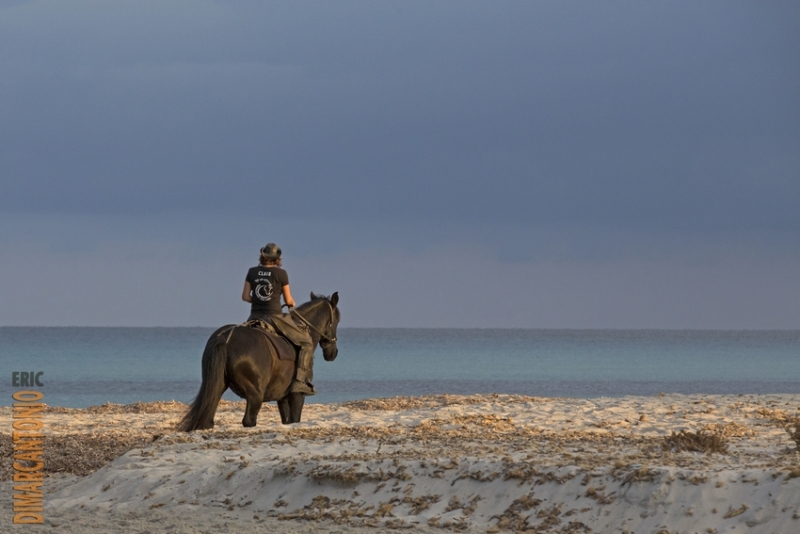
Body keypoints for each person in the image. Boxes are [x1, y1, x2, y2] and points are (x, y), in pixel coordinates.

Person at [242, 243, 315, 395]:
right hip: (274, 317)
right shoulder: (281, 274)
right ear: (277, 259)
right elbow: (288, 300)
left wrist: (257, 300)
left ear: (262, 256)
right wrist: (291, 303)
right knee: (306, 343)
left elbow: (245, 297)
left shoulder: (252, 271)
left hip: (254, 316)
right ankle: (300, 382)